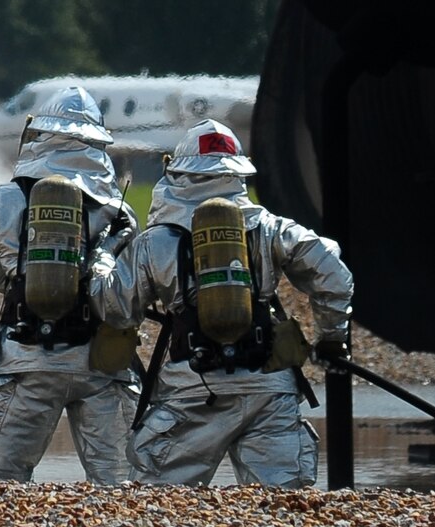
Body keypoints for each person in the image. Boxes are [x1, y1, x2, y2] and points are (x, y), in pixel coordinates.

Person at [90, 118, 353, 488]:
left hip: (192, 390)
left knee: (160, 508)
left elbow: (114, 307)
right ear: (239, 175)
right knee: (285, 509)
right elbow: (335, 274)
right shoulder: (270, 228)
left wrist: (103, 257)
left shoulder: (157, 242)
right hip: (269, 389)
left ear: (180, 174)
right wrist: (331, 337)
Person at [0, 85, 140, 482]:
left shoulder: (3, 199)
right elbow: (128, 293)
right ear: (98, 142)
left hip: (25, 360)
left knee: (1, 483)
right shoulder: (119, 211)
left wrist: (30, 289)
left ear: (38, 136)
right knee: (119, 488)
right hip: (104, 365)